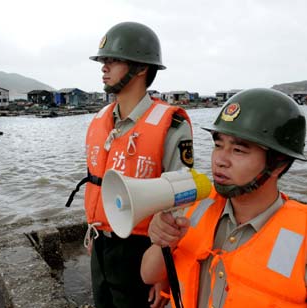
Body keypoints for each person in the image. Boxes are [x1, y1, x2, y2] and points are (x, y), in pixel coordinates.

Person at [66, 22, 194, 308]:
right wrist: (93, 230)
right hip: (100, 244)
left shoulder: (171, 125)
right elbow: (95, 183)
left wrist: (163, 268)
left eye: (113, 60)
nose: (103, 67)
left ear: (140, 68)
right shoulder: (100, 119)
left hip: (141, 250)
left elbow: (181, 202)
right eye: (102, 60)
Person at [141, 88, 307, 308]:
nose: (220, 160)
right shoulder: (195, 206)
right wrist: (163, 242)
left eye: (238, 150)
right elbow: (148, 275)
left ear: (279, 164)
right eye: (218, 145)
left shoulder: (301, 236)